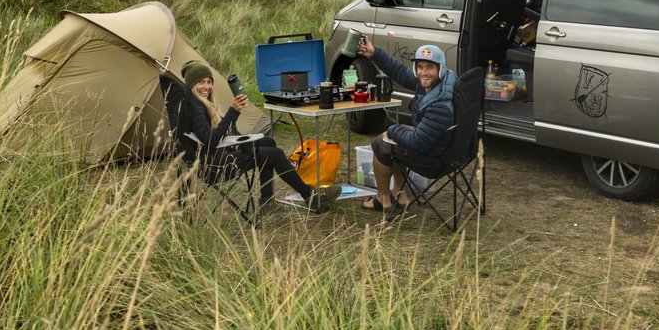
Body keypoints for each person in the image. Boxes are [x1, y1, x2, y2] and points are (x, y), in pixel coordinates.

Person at [162, 61, 341, 212]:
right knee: (275, 154)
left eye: (209, 82)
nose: (206, 87)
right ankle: (310, 196)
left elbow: (210, 139)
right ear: (192, 84)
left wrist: (233, 136)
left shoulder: (194, 102)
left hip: (214, 157)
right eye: (201, 82)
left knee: (268, 142)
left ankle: (267, 202)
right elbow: (210, 141)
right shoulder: (195, 108)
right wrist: (233, 112)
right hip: (215, 167)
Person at [356, 37, 458, 218]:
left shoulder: (439, 105)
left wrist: (392, 130)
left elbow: (417, 142)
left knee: (381, 143)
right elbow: (401, 73)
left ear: (440, 68)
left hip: (434, 160)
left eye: (429, 67)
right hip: (444, 148)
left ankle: (382, 199)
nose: (423, 73)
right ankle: (400, 195)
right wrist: (374, 53)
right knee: (398, 135)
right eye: (420, 67)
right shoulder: (444, 81)